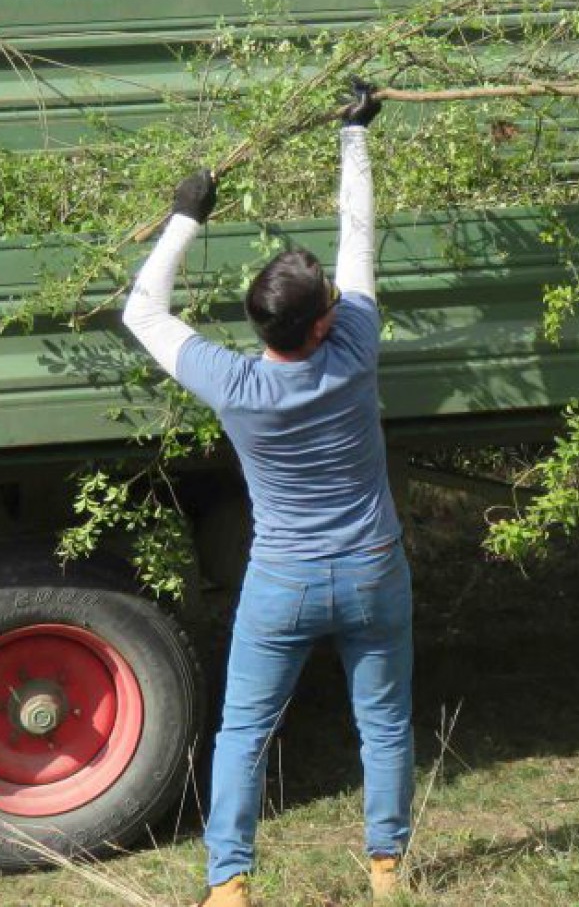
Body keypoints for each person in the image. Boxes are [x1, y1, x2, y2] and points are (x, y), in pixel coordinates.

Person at [122, 81, 411, 907]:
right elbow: (358, 236)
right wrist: (354, 134)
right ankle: (386, 871)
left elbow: (142, 311)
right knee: (382, 724)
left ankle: (230, 885)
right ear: (322, 322)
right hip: (371, 569)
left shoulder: (235, 382)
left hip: (282, 581)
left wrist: (186, 213)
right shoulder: (355, 345)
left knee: (244, 733)